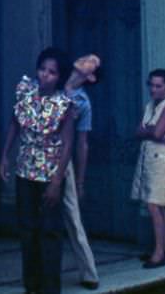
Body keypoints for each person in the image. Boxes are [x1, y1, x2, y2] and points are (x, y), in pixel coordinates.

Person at [0, 47, 75, 294]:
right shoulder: (24, 93)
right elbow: (14, 124)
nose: (45, 75)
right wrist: (5, 156)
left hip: (50, 174)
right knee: (27, 230)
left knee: (50, 232)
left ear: (59, 76)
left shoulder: (64, 104)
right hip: (25, 171)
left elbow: (67, 144)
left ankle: (50, 289)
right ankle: (31, 285)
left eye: (52, 72)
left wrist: (56, 181)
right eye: (42, 69)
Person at [130, 68, 165, 270]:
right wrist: (151, 131)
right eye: (151, 84)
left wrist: (149, 131)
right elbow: (137, 131)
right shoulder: (150, 106)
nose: (153, 89)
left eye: (158, 86)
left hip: (162, 161)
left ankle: (159, 253)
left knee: (155, 205)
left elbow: (159, 133)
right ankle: (162, 248)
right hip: (149, 160)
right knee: (157, 205)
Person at [63, 54, 101, 291]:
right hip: (37, 155)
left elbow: (82, 143)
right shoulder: (53, 82)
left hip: (62, 160)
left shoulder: (82, 103)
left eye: (92, 61)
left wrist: (80, 179)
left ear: (91, 76)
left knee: (73, 217)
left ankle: (89, 272)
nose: (86, 59)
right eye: (86, 56)